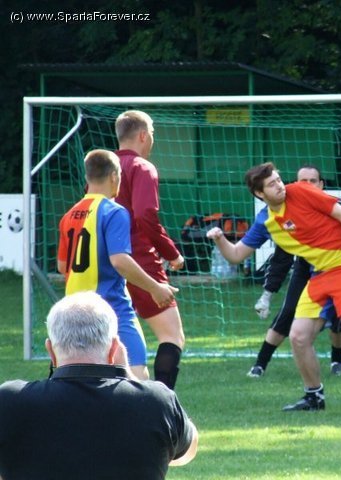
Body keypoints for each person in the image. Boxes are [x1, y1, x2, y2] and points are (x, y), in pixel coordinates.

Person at [207, 162, 341, 414]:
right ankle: (314, 397)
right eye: (271, 184)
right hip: (321, 273)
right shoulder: (266, 221)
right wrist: (220, 238)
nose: (280, 186)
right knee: (298, 336)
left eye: (278, 180)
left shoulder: (300, 190)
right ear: (259, 193)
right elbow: (236, 255)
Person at [0, 291, 198, 479]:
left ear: (50, 351)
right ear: (114, 349)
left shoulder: (10, 401)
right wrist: (130, 376)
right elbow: (188, 451)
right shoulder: (157, 402)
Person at [57, 149, 177, 381]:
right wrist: (155, 288)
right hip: (111, 307)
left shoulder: (68, 216)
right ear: (114, 176)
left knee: (83, 380)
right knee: (137, 375)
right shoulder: (114, 211)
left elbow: (63, 266)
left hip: (74, 312)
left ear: (88, 177)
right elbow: (120, 260)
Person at [249, 165, 341, 378]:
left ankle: (337, 362)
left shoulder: (340, 205)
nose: (307, 185)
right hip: (307, 266)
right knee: (289, 310)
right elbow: (280, 260)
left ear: (321, 184)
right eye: (303, 181)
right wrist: (267, 294)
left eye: (312, 181)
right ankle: (260, 364)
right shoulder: (279, 216)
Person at [115, 110, 186, 390]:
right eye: (153, 133)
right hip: (139, 260)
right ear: (143, 135)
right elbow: (145, 214)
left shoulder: (102, 167)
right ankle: (162, 403)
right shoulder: (142, 167)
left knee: (112, 341)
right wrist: (171, 253)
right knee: (172, 335)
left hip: (105, 261)